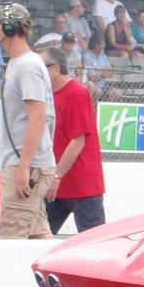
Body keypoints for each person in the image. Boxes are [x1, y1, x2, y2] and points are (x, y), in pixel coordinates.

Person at [0, 3, 56, 240]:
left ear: (11, 26)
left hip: (26, 165)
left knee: (11, 238)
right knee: (38, 236)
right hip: (27, 164)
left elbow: (38, 117)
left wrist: (23, 166)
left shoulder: (27, 66)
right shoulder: (20, 63)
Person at [41, 46, 105, 234]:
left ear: (54, 69)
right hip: (58, 183)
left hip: (82, 185)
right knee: (37, 236)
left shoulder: (76, 93)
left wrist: (56, 176)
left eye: (40, 66)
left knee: (92, 243)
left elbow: (78, 140)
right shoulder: (48, 95)